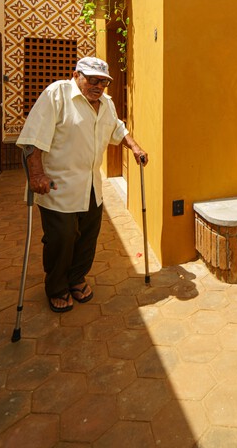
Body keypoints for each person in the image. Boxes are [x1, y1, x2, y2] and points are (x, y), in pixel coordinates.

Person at [17, 56, 148, 313]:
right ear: (76, 74)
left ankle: (76, 279)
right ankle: (56, 287)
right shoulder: (57, 94)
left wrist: (135, 147)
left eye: (103, 82)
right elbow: (33, 137)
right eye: (92, 79)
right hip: (57, 186)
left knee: (87, 237)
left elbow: (117, 130)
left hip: (90, 185)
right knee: (62, 238)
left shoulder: (106, 104)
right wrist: (36, 176)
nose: (98, 86)